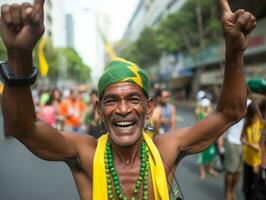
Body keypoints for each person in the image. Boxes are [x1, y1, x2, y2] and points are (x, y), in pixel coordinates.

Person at [0, 0, 256, 199]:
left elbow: (230, 112)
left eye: (133, 99)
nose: (123, 109)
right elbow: (22, 127)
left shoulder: (165, 149)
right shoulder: (85, 154)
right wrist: (20, 54)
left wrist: (234, 49)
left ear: (149, 107)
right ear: (99, 110)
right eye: (111, 101)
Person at [241, 103, 264, 200]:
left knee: (257, 191)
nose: (254, 119)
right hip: (247, 160)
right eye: (252, 116)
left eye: (255, 116)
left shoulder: (262, 124)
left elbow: (260, 147)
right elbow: (241, 139)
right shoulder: (247, 124)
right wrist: (250, 144)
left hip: (258, 162)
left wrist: (256, 146)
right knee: (246, 188)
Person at [195, 98, 218, 179]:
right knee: (202, 156)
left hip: (211, 138)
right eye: (209, 106)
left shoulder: (211, 115)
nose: (210, 107)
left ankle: (210, 169)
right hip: (202, 139)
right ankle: (202, 173)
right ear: (205, 107)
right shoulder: (200, 114)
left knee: (211, 154)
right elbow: (199, 125)